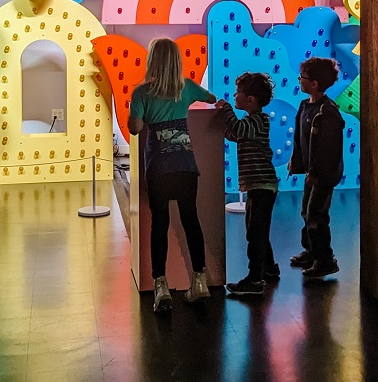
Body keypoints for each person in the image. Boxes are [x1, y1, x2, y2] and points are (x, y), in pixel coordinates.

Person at [128, 38, 216, 313]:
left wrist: (141, 114)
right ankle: (199, 280)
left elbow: (134, 128)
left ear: (152, 60)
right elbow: (211, 99)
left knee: (160, 224)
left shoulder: (142, 93)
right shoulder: (186, 87)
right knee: (191, 220)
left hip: (159, 167)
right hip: (186, 166)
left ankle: (160, 285)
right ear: (177, 61)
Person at [215, 72, 279, 295]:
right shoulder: (252, 122)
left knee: (255, 233)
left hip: (263, 186)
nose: (234, 96)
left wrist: (226, 110)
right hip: (258, 186)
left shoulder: (257, 121)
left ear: (250, 99)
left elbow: (239, 130)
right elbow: (234, 134)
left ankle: (255, 280)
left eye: (237, 93)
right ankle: (270, 269)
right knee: (258, 231)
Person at [288, 57, 345, 280]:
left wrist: (316, 173)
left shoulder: (327, 112)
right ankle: (312, 250)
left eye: (302, 78)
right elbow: (300, 139)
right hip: (312, 172)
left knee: (316, 214)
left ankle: (325, 259)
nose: (299, 81)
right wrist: (298, 161)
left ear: (314, 83)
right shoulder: (306, 106)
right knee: (307, 210)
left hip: (322, 174)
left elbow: (328, 150)